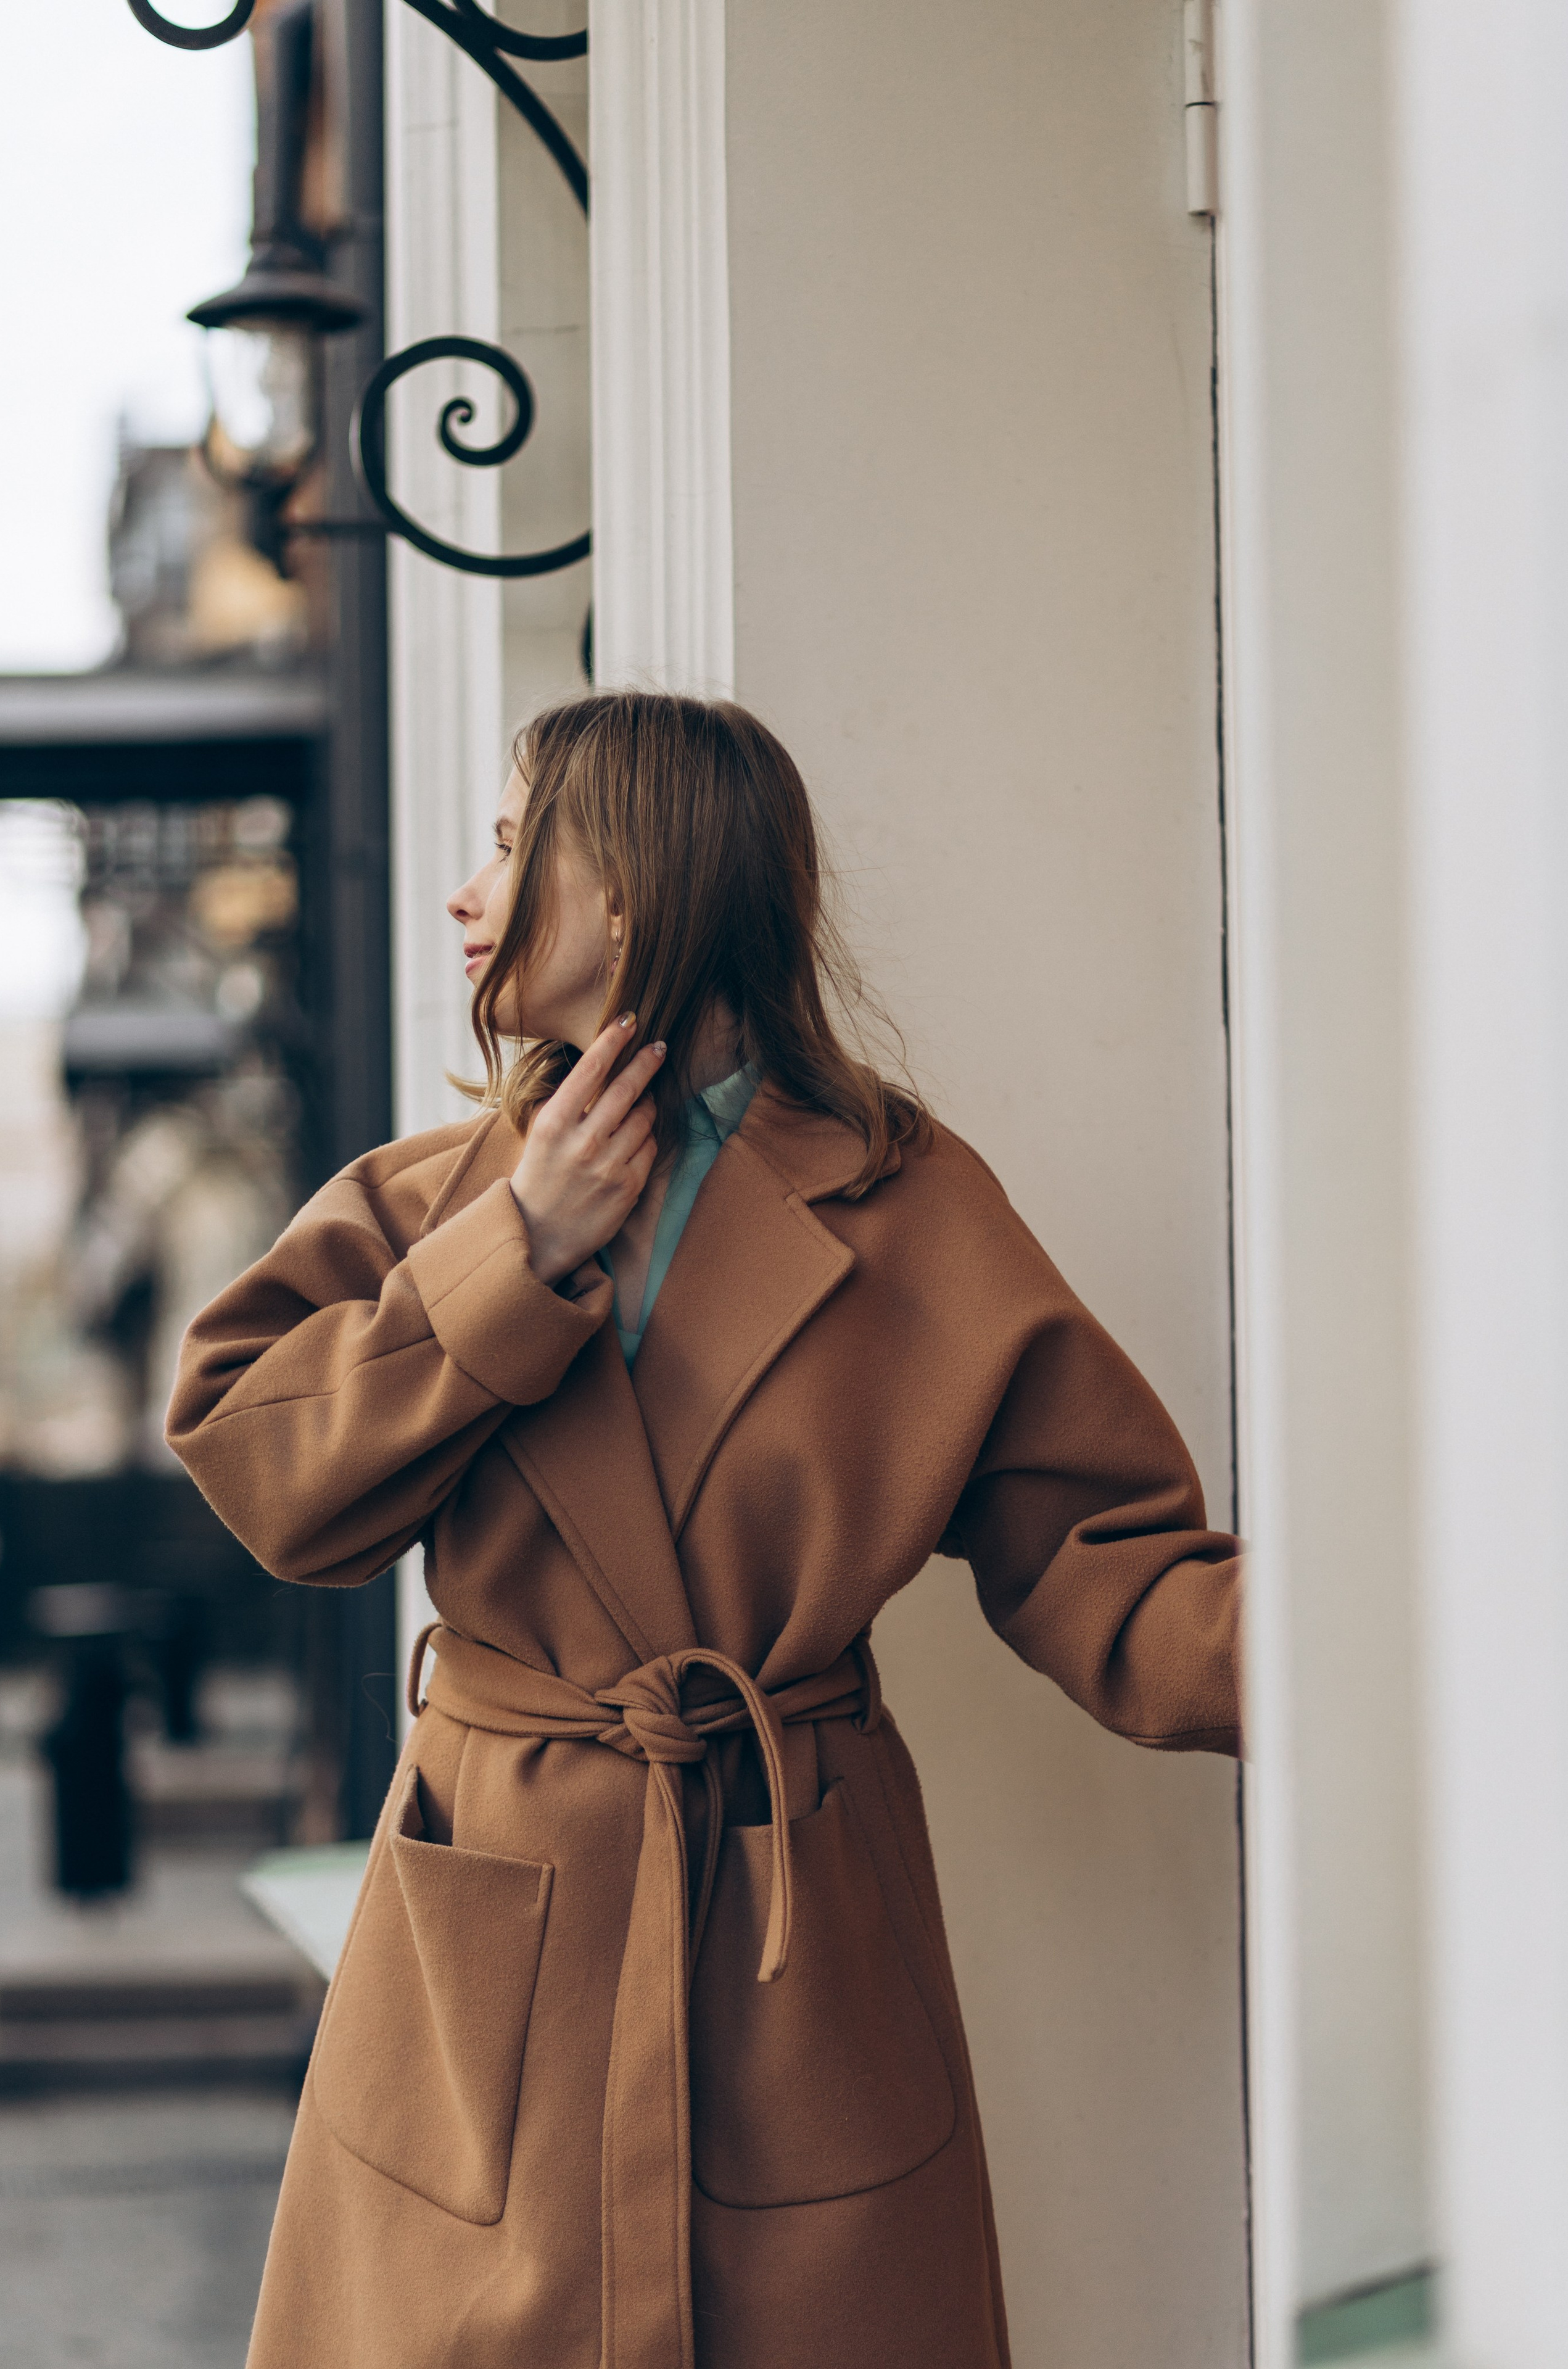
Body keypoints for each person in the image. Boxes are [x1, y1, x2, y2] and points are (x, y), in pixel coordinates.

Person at [168, 690, 1242, 2369]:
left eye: (517, 844)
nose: (472, 891)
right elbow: (263, 1472)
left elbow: (1108, 1560)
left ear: (641, 889)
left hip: (788, 1909)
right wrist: (519, 1251)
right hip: (502, 1901)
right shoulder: (431, 1201)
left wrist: (1403, 1644)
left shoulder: (909, 1206)